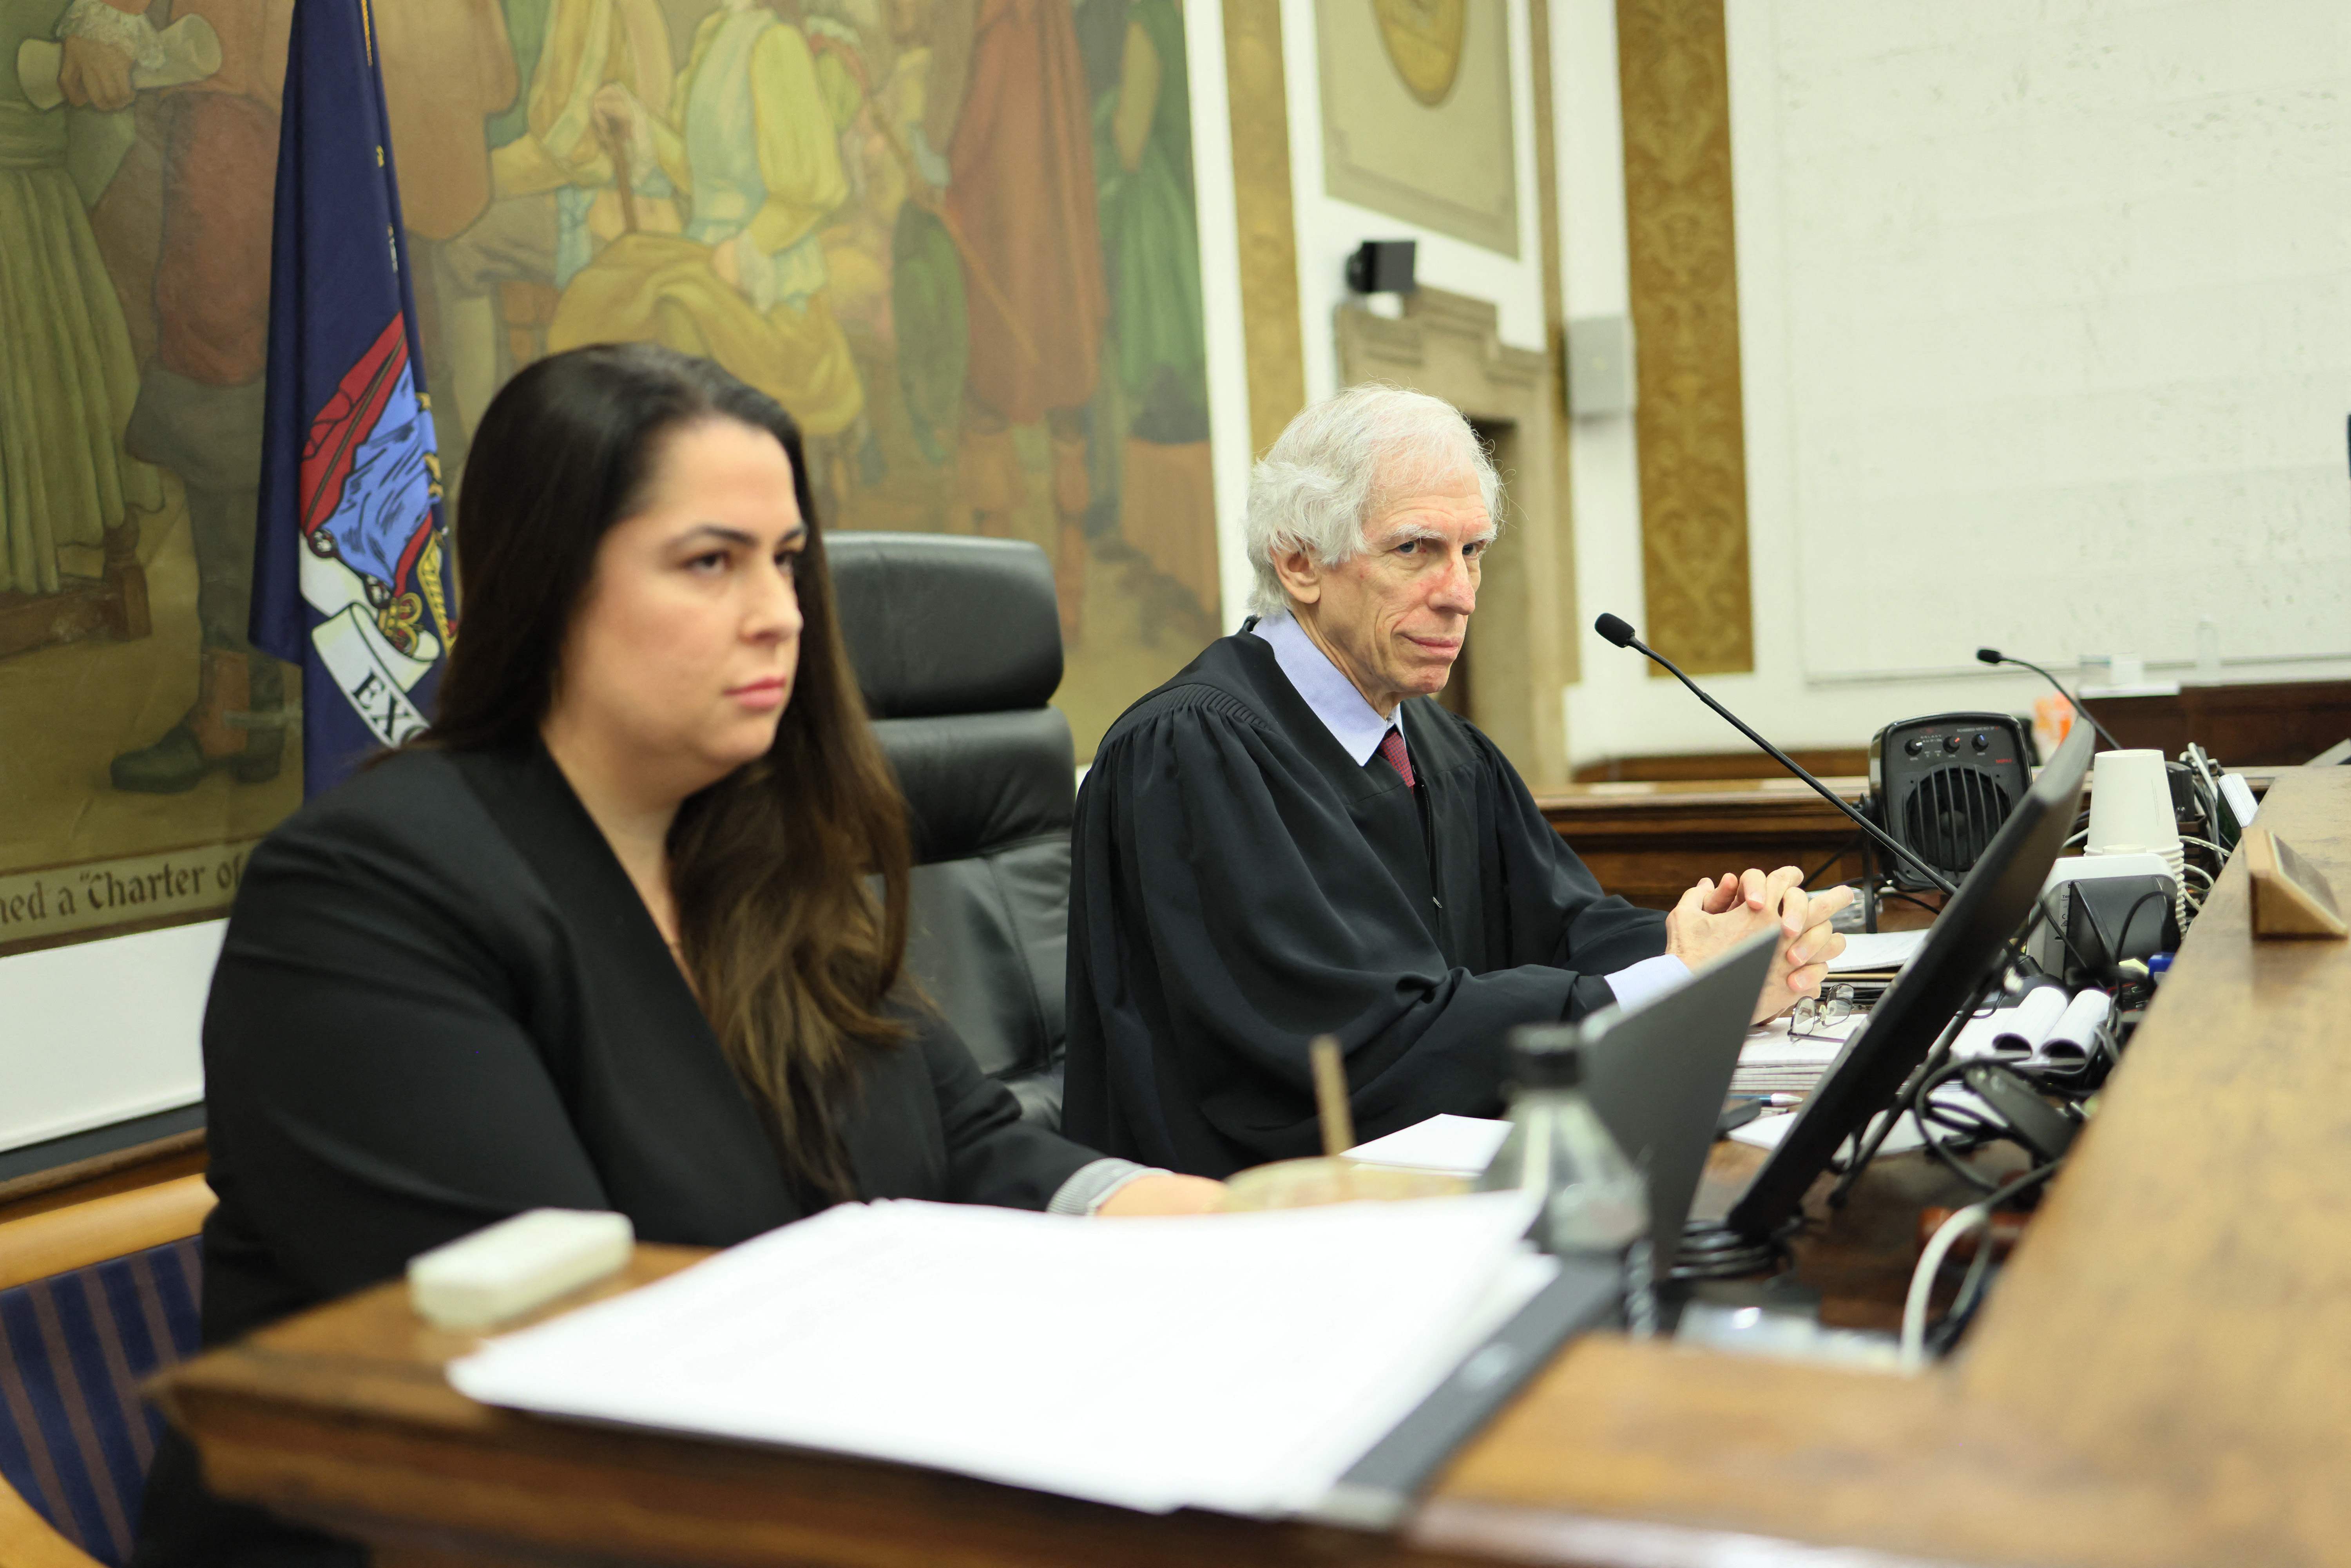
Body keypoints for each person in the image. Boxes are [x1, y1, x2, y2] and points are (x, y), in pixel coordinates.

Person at [132, 342, 1219, 1566]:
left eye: (788, 563)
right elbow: (563, 1364)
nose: (778, 615)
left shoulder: (754, 849)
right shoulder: (365, 897)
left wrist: (1214, 1222)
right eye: (710, 563)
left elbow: (958, 1138)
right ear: (546, 583)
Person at [1063, 385, 1852, 1179]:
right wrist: (1680, 982)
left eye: (1472, 551)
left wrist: (1727, 942)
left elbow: (1561, 929)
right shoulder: (1194, 753)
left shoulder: (1439, 746)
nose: (1461, 594)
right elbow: (1354, 1046)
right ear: (1300, 560)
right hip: (1247, 1229)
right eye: (1415, 550)